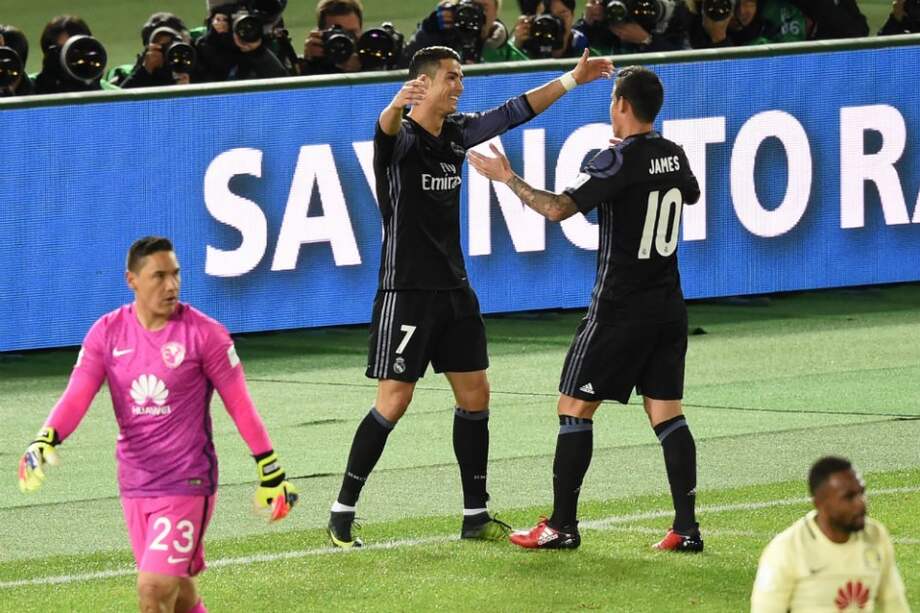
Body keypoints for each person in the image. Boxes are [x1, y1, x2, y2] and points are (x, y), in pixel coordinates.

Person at [326, 45, 613, 549]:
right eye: (453, 79)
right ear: (426, 84)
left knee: (476, 395)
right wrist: (396, 105)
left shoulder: (455, 133)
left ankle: (474, 514)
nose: (460, 86)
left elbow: (516, 111)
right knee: (394, 401)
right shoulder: (400, 138)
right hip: (407, 291)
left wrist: (573, 78)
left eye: (461, 78)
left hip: (454, 291)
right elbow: (386, 128)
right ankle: (342, 511)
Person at [468, 65, 702, 551]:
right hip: (668, 305)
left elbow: (558, 209)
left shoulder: (618, 159)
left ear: (620, 103)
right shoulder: (674, 155)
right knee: (666, 414)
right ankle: (686, 528)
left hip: (619, 307)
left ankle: (561, 526)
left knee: (574, 407)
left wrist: (506, 177)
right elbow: (692, 195)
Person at [18, 236, 298, 613]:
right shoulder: (107, 332)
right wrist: (44, 440)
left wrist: (270, 468)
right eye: (159, 276)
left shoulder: (205, 334)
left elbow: (240, 403)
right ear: (131, 279)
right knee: (180, 594)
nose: (172, 285)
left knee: (152, 590)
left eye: (176, 274)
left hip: (187, 481)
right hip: (134, 482)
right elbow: (77, 394)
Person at [750, 456, 910, 612]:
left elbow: (894, 603)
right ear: (819, 503)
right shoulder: (787, 549)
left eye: (861, 493)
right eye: (848, 497)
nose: (860, 503)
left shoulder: (875, 536)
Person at [403, 0, 527, 66]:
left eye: (483, 7)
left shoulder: (508, 56)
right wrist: (429, 31)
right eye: (471, 6)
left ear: (495, 12)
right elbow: (405, 64)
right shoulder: (440, 43)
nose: (476, 14)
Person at [301, 0, 365, 75]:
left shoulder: (371, 60)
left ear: (361, 31)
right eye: (338, 32)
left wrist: (365, 66)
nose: (345, 39)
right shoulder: (313, 65)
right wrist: (307, 64)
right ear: (321, 33)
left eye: (351, 32)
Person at [514, 0, 590, 59]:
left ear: (572, 16)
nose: (555, 22)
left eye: (562, 13)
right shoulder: (522, 46)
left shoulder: (583, 48)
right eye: (547, 15)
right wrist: (517, 48)